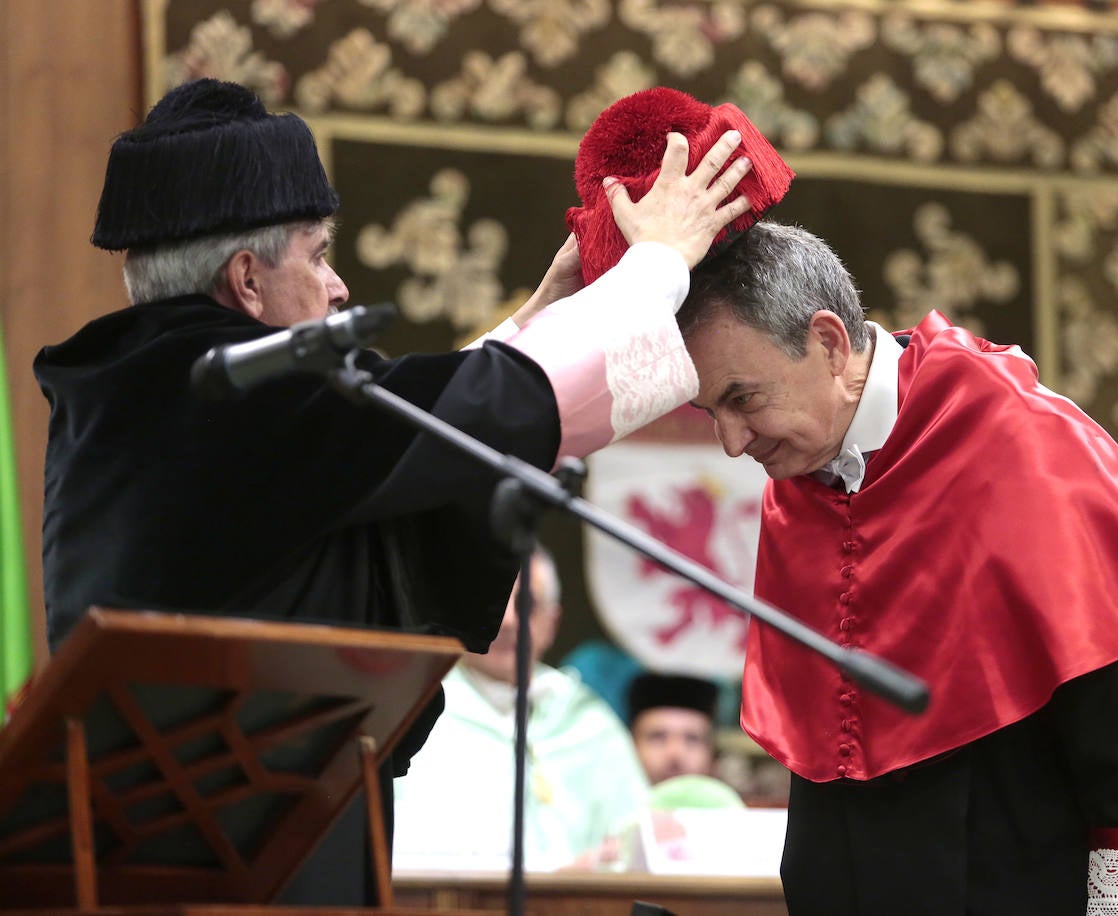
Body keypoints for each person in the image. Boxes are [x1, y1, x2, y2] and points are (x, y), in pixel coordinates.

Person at [32, 77, 781, 905]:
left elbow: (414, 430)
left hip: (215, 841)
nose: (339, 286)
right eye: (319, 256)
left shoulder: (160, 391)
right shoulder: (221, 389)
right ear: (247, 280)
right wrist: (657, 267)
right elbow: (480, 413)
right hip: (242, 862)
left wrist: (550, 311)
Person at [637, 225, 1118, 913]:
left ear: (828, 344)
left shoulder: (1029, 450)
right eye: (711, 412)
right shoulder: (797, 481)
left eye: (743, 400)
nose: (732, 443)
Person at [392, 544, 647, 872]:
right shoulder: (416, 706)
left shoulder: (586, 719)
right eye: (494, 602)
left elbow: (635, 848)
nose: (510, 620)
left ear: (552, 623)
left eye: (527, 604)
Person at [627, 672, 719, 786]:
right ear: (631, 745)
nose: (675, 754)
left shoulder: (734, 804)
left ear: (712, 755)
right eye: (658, 737)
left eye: (692, 739)